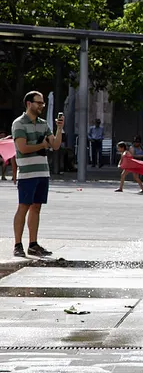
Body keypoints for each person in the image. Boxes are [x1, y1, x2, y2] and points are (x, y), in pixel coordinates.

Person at [12, 91, 63, 257]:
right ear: (29, 103)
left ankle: (33, 244)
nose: (41, 106)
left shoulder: (43, 123)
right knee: (24, 206)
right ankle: (17, 244)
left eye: (43, 103)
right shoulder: (18, 124)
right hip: (27, 173)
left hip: (42, 171)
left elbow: (54, 145)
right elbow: (23, 148)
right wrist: (41, 146)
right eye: (38, 103)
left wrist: (59, 128)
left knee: (36, 207)